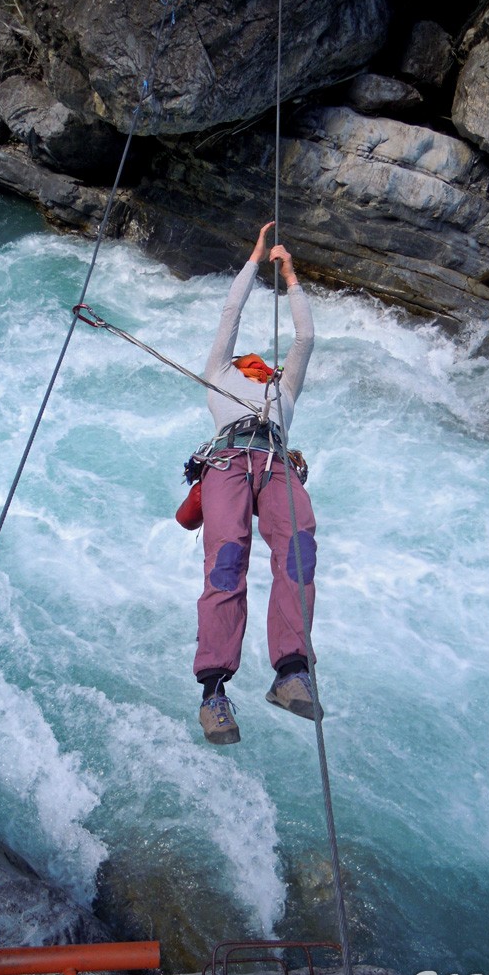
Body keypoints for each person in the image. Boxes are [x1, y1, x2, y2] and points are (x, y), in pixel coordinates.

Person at [194, 221, 318, 745]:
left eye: (260, 363)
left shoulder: (283, 388)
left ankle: (290, 671)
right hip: (226, 460)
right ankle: (214, 692)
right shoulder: (218, 373)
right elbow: (230, 314)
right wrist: (254, 259)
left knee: (299, 550)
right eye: (248, 359)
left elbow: (306, 337)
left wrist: (290, 275)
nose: (255, 363)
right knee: (228, 559)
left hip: (275, 464)